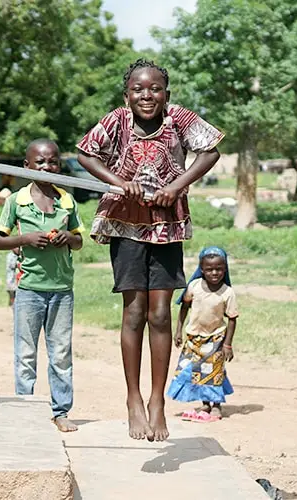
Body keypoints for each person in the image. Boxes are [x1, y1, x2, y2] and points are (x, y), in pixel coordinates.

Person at [76, 58, 223, 441]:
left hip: (165, 224)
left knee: (160, 314)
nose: (147, 95)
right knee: (135, 310)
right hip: (125, 224)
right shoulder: (116, 121)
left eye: (155, 89)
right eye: (139, 89)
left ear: (166, 94)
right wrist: (118, 181)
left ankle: (158, 400)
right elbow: (85, 154)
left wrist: (177, 186)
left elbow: (210, 152)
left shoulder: (179, 119)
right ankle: (133, 399)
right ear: (127, 96)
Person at [0, 138, 85, 433]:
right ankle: (26, 410)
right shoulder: (16, 201)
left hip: (61, 290)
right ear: (27, 166)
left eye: (53, 161)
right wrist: (26, 240)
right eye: (40, 162)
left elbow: (79, 240)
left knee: (60, 353)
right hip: (29, 289)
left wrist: (66, 238)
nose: (48, 167)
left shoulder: (66, 200)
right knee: (26, 353)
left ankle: (60, 411)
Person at [168, 247, 238, 421]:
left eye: (219, 269)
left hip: (215, 339)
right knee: (194, 371)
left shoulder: (227, 293)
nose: (214, 273)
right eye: (209, 269)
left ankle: (216, 406)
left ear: (225, 269)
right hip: (193, 338)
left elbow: (232, 319)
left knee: (213, 372)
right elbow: (184, 307)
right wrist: (178, 331)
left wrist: (227, 344)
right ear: (201, 268)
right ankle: (205, 404)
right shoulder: (194, 287)